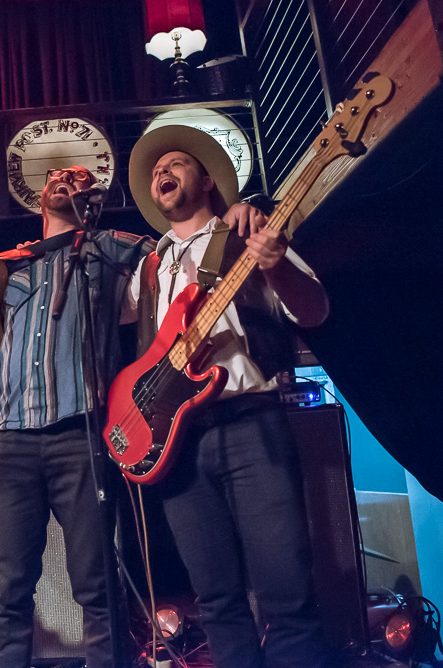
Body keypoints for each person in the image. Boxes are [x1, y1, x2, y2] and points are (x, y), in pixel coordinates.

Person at [125, 125, 330, 667]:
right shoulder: (147, 267)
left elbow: (314, 311)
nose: (160, 172)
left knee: (287, 595)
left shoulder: (249, 233)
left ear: (210, 180)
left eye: (175, 163)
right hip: (180, 444)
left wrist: (275, 262)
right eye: (154, 170)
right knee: (215, 601)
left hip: (250, 424)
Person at [0, 166, 153, 667]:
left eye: (80, 177)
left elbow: (172, 260)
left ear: (94, 195)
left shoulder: (111, 248)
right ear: (40, 200)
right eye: (58, 176)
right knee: (8, 590)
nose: (67, 179)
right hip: (11, 439)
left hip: (80, 432)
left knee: (97, 585)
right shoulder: (4, 266)